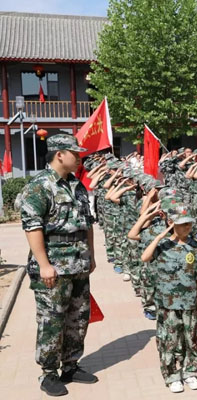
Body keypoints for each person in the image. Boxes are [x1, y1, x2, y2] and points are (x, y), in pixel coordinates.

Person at [20, 134, 98, 396]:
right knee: (52, 321)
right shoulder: (39, 186)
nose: (79, 158)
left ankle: (71, 365)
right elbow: (32, 227)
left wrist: (91, 255)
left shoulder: (77, 185)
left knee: (78, 318)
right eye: (75, 153)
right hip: (54, 265)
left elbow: (87, 224)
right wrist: (44, 264)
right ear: (59, 155)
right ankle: (49, 373)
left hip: (78, 263)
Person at [141, 203, 197, 393]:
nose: (187, 227)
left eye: (189, 224)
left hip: (189, 301)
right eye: (182, 224)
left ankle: (190, 372)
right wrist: (160, 236)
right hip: (167, 302)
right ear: (171, 223)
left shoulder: (195, 246)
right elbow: (145, 257)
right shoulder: (162, 245)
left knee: (190, 338)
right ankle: (171, 376)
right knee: (169, 340)